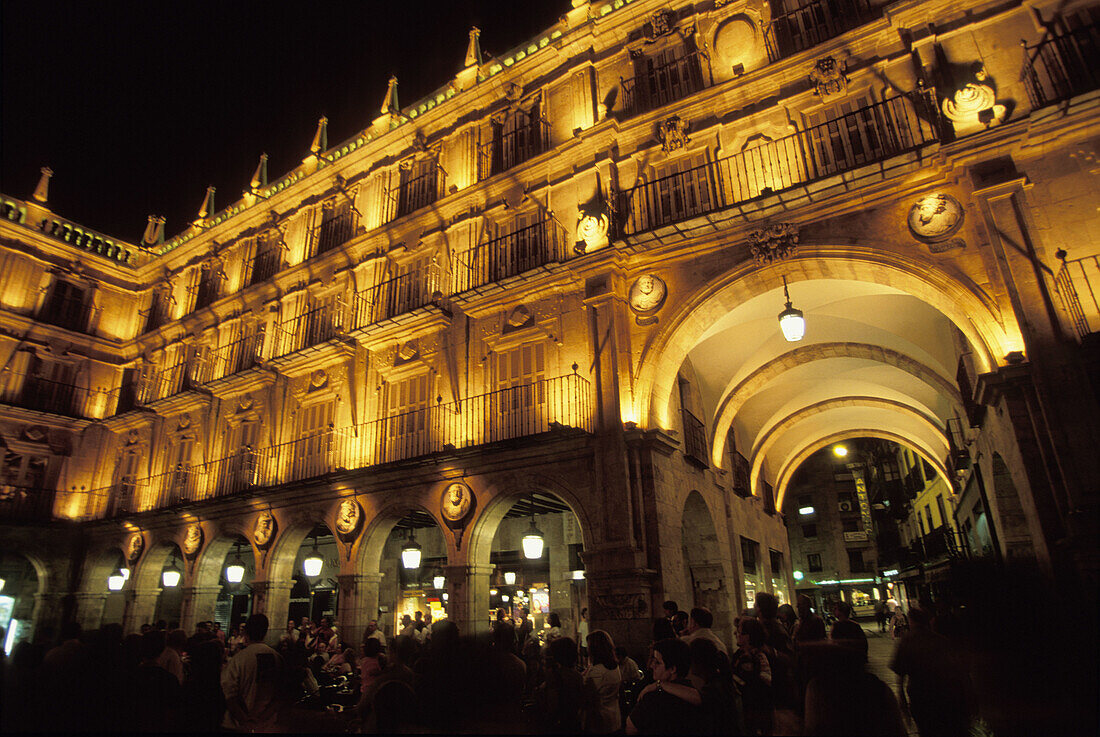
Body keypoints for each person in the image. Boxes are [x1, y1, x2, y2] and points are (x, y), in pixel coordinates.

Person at [890, 607, 970, 737]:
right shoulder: (940, 640)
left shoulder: (907, 641)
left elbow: (900, 675)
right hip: (945, 692)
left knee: (927, 728)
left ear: (911, 621)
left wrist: (903, 702)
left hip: (920, 694)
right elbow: (958, 670)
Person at [221, 613, 284, 732]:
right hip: (266, 724)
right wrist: (261, 718)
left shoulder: (239, 659)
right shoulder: (277, 658)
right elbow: (280, 694)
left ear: (246, 632)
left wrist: (246, 720)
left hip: (238, 725)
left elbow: (229, 695)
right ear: (265, 632)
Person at [626, 638, 701, 734]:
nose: (652, 666)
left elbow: (631, 727)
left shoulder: (653, 698)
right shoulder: (692, 692)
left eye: (657, 662)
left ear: (673, 669)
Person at [732, 618, 773, 736]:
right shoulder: (740, 654)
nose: (736, 634)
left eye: (740, 632)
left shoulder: (756, 657)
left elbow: (758, 682)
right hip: (748, 706)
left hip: (756, 707)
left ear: (749, 636)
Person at [538, 636, 584, 732]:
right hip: (574, 722)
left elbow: (553, 704)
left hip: (559, 724)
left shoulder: (554, 675)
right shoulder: (578, 675)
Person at [582, 630, 622, 733]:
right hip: (614, 717)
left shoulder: (597, 672)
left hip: (600, 721)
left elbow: (587, 696)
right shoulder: (614, 666)